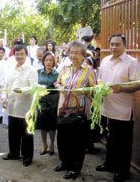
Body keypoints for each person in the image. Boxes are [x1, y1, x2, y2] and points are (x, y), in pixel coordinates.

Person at [96, 34, 140, 182]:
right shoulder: (105, 60)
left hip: (124, 111)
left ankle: (123, 172)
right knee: (110, 140)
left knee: (123, 144)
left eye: (117, 44)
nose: (114, 47)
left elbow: (137, 84)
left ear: (124, 46)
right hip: (107, 108)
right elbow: (100, 80)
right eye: (112, 44)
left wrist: (121, 89)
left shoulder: (132, 62)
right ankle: (109, 164)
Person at [54, 40, 97, 179]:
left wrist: (81, 91)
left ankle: (75, 168)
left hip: (79, 112)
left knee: (77, 143)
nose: (73, 55)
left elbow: (94, 89)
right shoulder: (65, 68)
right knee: (62, 140)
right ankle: (65, 163)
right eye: (71, 52)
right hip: (63, 109)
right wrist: (61, 88)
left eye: (77, 53)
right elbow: (57, 82)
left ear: (84, 55)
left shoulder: (89, 70)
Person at [2, 44, 38, 167]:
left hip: (26, 107)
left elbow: (35, 88)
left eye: (22, 54)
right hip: (12, 106)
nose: (19, 56)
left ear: (26, 55)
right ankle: (14, 153)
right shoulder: (11, 69)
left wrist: (22, 90)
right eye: (17, 54)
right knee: (13, 132)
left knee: (27, 133)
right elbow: (6, 85)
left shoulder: (31, 70)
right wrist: (3, 98)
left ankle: (27, 157)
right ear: (14, 55)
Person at [36, 52, 59, 156]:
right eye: (46, 60)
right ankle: (44, 144)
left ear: (53, 61)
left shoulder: (57, 74)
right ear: (43, 61)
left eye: (50, 60)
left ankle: (52, 145)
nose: (48, 62)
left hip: (53, 100)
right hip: (41, 100)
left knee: (51, 125)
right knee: (42, 124)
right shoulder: (38, 72)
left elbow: (59, 86)